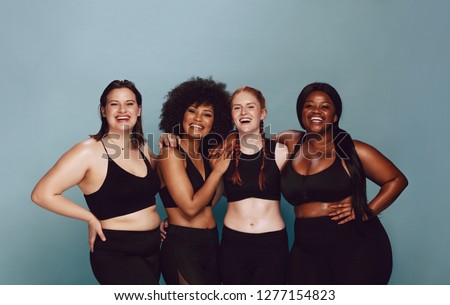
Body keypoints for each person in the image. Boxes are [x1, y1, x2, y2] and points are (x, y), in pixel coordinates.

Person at [31, 80, 162, 285]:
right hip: (118, 255)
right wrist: (90, 218)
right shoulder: (88, 151)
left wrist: (173, 145)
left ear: (139, 110)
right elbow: (41, 194)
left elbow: (164, 183)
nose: (122, 110)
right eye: (114, 104)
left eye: (129, 103)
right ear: (103, 110)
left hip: (154, 251)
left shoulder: (143, 148)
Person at [278, 82, 408, 284]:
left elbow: (397, 180)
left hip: (357, 247)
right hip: (306, 247)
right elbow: (252, 142)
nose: (316, 111)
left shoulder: (354, 150)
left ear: (335, 116)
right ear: (301, 112)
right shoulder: (290, 141)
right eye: (309, 105)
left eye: (325, 107)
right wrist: (232, 138)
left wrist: (367, 210)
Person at [157, 76, 232, 285]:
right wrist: (218, 173)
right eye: (192, 111)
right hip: (182, 246)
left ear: (214, 122)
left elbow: (211, 200)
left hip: (210, 244)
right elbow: (190, 208)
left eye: (207, 114)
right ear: (180, 114)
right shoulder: (170, 154)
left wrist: (218, 169)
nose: (198, 118)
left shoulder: (206, 155)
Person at [211, 86, 289, 284]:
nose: (243, 112)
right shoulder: (221, 154)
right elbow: (212, 195)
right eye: (237, 108)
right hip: (233, 245)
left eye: (250, 107)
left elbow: (304, 187)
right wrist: (176, 217)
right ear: (231, 115)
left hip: (272, 245)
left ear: (263, 113)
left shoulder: (281, 152)